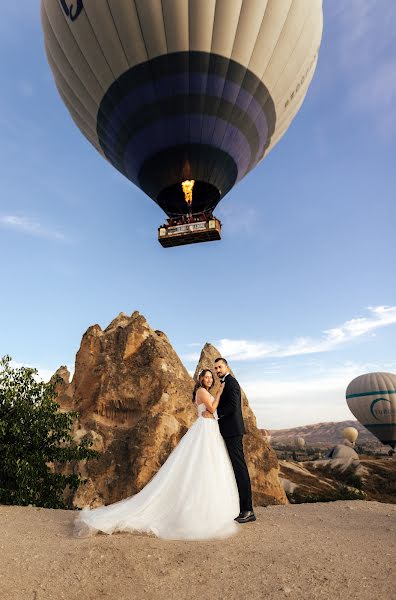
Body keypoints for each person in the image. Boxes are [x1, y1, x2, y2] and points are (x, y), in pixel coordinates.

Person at [74, 369, 239, 541]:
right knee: (203, 465)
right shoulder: (202, 391)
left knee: (207, 467)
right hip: (205, 429)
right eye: (206, 377)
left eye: (211, 377)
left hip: (209, 429)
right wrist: (219, 393)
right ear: (200, 379)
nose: (209, 379)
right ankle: (200, 512)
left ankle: (207, 509)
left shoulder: (203, 392)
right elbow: (212, 408)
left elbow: (212, 412)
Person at [202, 358, 255, 524]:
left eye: (220, 367)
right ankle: (242, 509)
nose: (217, 370)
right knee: (235, 469)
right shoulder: (225, 383)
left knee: (240, 469)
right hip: (228, 431)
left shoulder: (231, 383)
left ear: (226, 367)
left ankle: (248, 510)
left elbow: (232, 406)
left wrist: (214, 414)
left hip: (233, 432)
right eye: (216, 368)